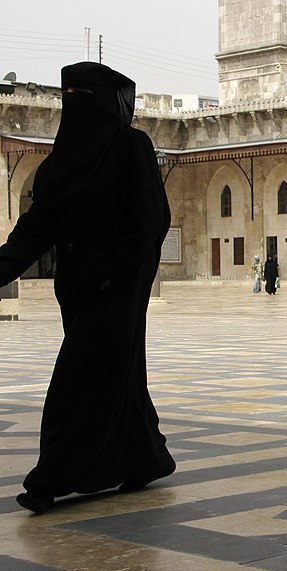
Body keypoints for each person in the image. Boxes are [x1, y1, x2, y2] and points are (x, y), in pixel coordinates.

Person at [0, 62, 175, 513]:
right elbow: (33, 231)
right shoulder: (58, 164)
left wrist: (107, 267)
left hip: (120, 286)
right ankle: (142, 459)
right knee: (119, 375)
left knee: (81, 379)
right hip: (76, 290)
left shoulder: (132, 147)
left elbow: (151, 221)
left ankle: (50, 479)